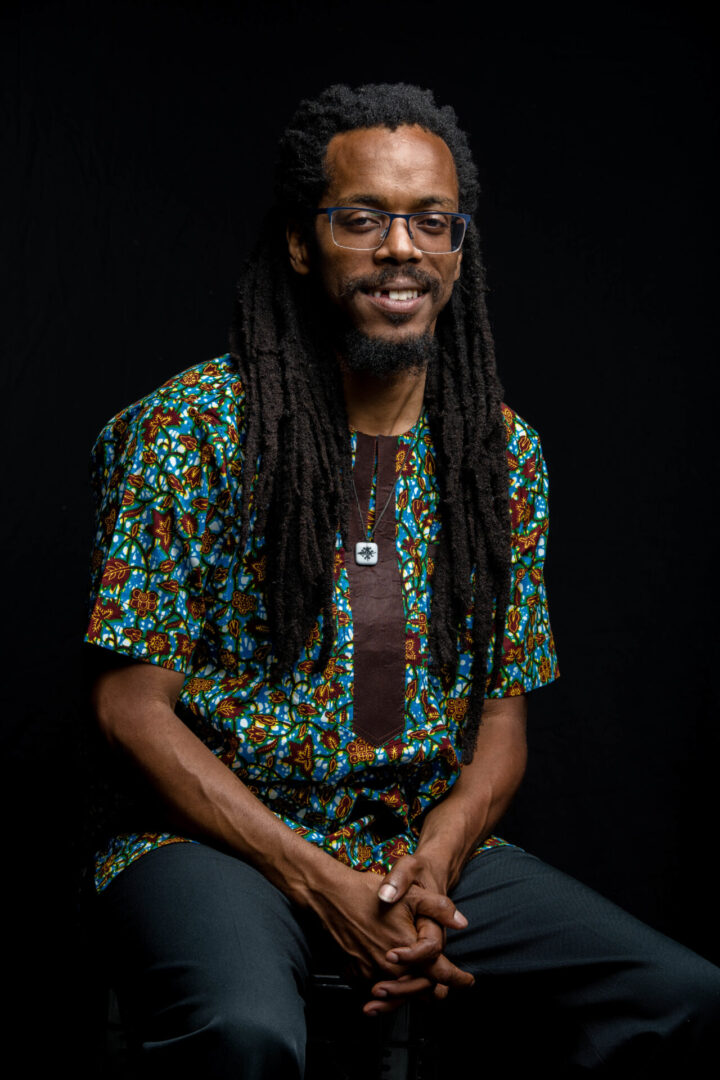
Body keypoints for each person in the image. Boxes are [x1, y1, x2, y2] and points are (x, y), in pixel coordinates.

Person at [86, 84, 719, 1077]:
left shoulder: (499, 455)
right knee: (247, 1032)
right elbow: (132, 711)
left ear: (459, 249)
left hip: (411, 848)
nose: (401, 249)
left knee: (678, 993)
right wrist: (320, 881)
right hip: (210, 844)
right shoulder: (193, 430)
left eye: (432, 220)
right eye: (362, 218)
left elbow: (501, 726)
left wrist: (434, 865)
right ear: (303, 242)